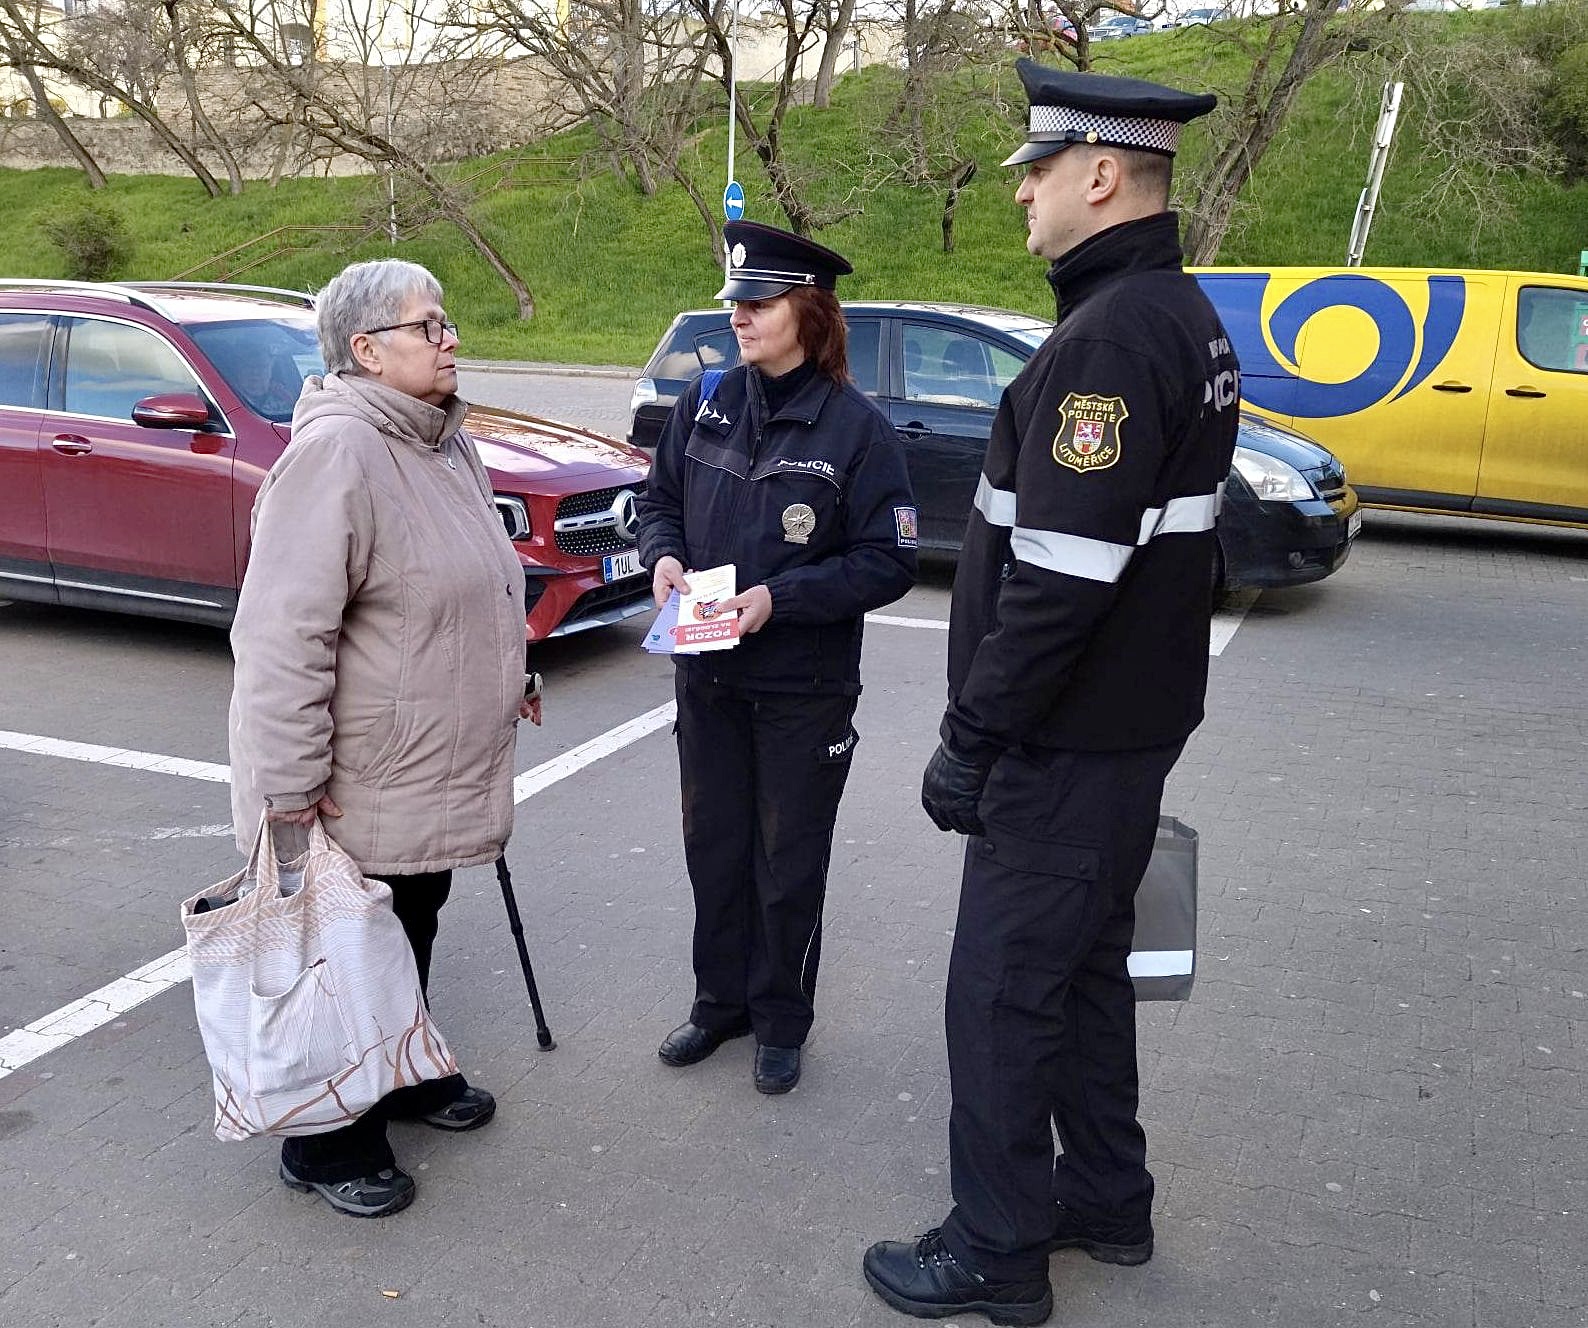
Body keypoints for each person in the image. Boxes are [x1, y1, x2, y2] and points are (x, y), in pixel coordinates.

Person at [863, 62, 1240, 1324]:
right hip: (1119, 737)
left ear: (1097, 174)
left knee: (1002, 994)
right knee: (1080, 978)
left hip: (1062, 745)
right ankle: (1106, 1200)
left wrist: (971, 734)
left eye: (1036, 171)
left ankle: (998, 1247)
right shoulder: (1172, 314)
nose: (1020, 193)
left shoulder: (1112, 337)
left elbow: (1062, 578)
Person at [228, 258, 541, 1219]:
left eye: (446, 325)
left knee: (413, 922)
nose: (451, 341)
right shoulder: (338, 454)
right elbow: (282, 633)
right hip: (355, 773)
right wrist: (285, 787)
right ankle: (325, 1143)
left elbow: (460, 586)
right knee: (342, 946)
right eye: (430, 327)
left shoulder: (443, 444)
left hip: (430, 765)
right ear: (366, 352)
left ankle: (399, 1073)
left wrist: (509, 672)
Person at [636, 221, 918, 1095]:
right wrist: (664, 556)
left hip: (803, 688)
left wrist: (779, 600)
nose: (742, 318)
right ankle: (719, 1005)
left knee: (788, 860)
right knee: (713, 848)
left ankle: (782, 1020)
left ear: (809, 311)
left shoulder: (858, 431)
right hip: (709, 676)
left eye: (759, 305)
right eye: (737, 304)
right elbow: (659, 500)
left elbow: (891, 559)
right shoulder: (708, 401)